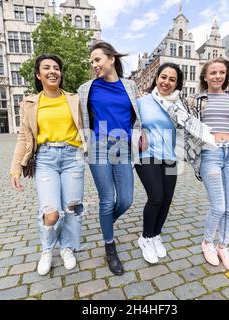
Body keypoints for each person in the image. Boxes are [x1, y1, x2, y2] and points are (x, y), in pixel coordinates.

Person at [10, 54, 86, 276]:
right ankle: (47, 249)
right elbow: (23, 138)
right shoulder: (30, 103)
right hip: (45, 158)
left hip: (73, 158)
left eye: (56, 67)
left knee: (72, 208)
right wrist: (15, 169)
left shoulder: (74, 99)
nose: (53, 71)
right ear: (38, 74)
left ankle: (67, 247)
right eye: (46, 68)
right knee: (51, 212)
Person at [135, 63, 217, 264]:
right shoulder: (141, 102)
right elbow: (129, 125)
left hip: (171, 156)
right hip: (147, 155)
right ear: (156, 78)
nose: (166, 82)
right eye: (163, 77)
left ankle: (155, 235)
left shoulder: (180, 105)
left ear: (177, 83)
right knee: (156, 197)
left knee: (167, 199)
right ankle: (145, 238)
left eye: (172, 79)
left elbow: (192, 128)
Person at [185, 57, 229, 272]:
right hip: (210, 154)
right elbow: (186, 128)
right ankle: (207, 242)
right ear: (205, 76)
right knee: (219, 206)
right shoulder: (194, 100)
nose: (218, 76)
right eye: (213, 72)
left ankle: (223, 246)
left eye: (222, 73)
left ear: (226, 76)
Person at [78, 41, 142, 276]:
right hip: (98, 146)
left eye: (98, 59)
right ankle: (109, 246)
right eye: (92, 61)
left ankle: (106, 222)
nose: (94, 65)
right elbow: (78, 115)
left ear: (111, 58)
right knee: (107, 199)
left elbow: (138, 116)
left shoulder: (131, 86)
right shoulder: (87, 88)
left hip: (123, 147)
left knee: (125, 199)